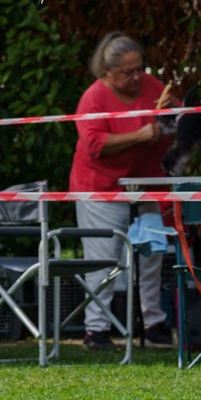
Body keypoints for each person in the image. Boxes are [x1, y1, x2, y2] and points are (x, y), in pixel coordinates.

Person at [69, 32, 175, 350]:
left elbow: (178, 125)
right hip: (101, 187)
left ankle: (154, 322)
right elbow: (95, 144)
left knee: (154, 252)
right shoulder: (94, 98)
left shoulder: (154, 86)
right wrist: (139, 136)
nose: (136, 77)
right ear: (107, 71)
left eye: (139, 69)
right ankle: (97, 329)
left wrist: (169, 117)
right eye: (127, 72)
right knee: (103, 258)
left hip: (148, 183)